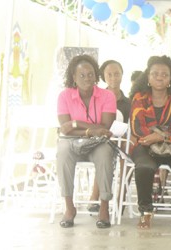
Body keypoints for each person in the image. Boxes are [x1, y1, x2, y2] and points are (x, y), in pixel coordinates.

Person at [129, 55, 171, 231]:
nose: (159, 77)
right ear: (148, 77)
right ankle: (145, 212)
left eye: (164, 74)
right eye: (155, 73)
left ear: (170, 79)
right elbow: (138, 128)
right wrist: (168, 134)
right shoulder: (139, 98)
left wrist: (160, 136)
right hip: (146, 147)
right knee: (143, 167)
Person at [56, 54, 117, 228]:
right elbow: (65, 127)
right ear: (73, 77)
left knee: (106, 152)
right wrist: (90, 129)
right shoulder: (64, 96)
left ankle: (104, 207)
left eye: (90, 74)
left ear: (96, 75)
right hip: (72, 141)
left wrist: (76, 124)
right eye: (81, 75)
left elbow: (105, 126)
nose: (87, 78)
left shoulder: (107, 96)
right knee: (62, 151)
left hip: (98, 143)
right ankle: (69, 208)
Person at [87, 59, 131, 213]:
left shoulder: (128, 103)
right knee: (103, 154)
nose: (113, 77)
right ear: (103, 76)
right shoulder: (96, 99)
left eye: (117, 74)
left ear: (122, 75)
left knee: (127, 154)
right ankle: (94, 198)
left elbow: (130, 126)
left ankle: (121, 199)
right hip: (101, 140)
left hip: (122, 141)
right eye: (109, 74)